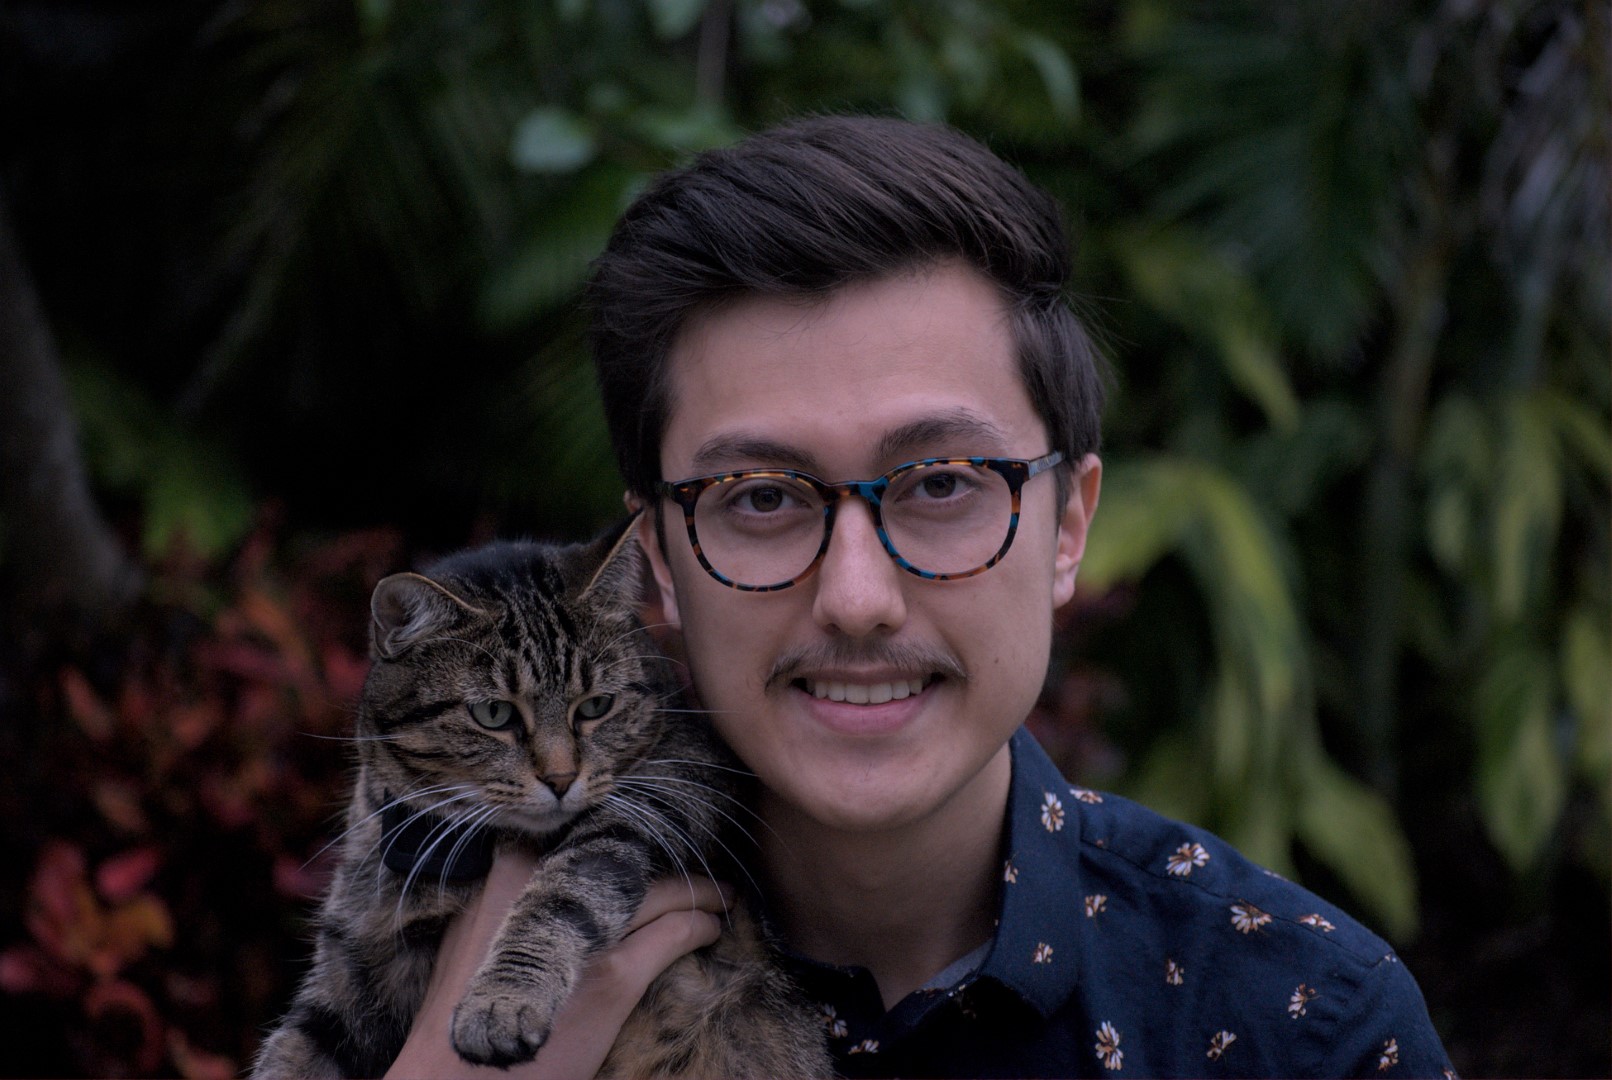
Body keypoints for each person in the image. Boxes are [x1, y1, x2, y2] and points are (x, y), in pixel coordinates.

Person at [386, 116, 1453, 1078]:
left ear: (1067, 527)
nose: (857, 599)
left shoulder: (1302, 1027)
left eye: (941, 484)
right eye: (760, 497)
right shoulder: (447, 959)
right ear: (657, 557)